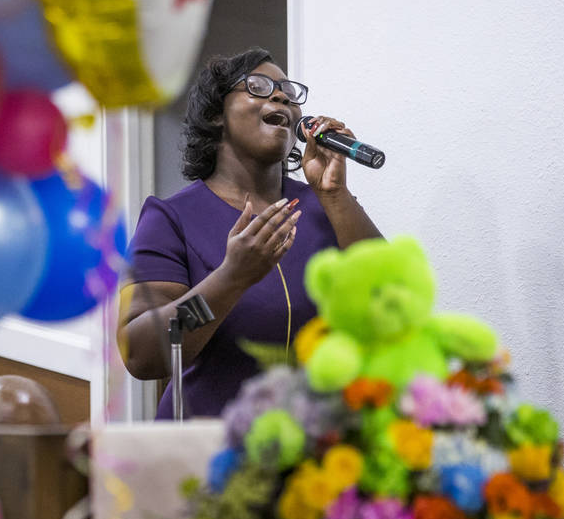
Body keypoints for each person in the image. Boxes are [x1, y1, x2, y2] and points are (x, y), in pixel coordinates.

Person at [117, 47, 382, 419]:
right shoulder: (172, 218)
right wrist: (230, 279)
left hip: (317, 456)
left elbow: (389, 299)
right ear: (215, 116)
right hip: (212, 457)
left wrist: (335, 195)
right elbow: (141, 351)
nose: (279, 96)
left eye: (288, 94)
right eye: (257, 86)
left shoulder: (325, 206)